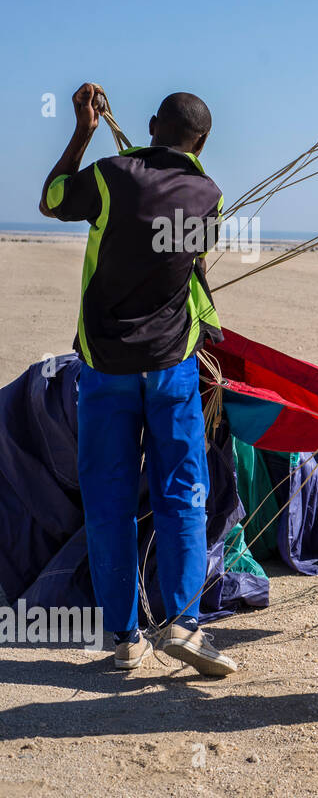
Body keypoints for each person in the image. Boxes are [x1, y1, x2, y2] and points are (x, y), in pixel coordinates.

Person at [39, 84, 236, 676]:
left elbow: (51, 200)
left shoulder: (109, 177)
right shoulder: (209, 195)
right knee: (183, 495)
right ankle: (183, 623)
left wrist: (83, 132)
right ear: (203, 141)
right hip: (171, 366)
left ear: (150, 125)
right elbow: (194, 266)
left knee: (109, 500)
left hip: (105, 369)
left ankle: (125, 637)